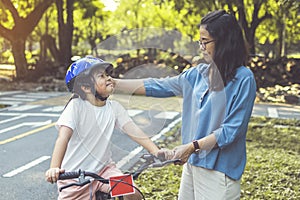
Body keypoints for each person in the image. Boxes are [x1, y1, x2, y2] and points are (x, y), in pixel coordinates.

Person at [114, 10, 257, 200]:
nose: (201, 47)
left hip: (218, 172)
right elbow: (158, 86)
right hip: (192, 165)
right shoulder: (197, 74)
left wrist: (191, 147)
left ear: (224, 42)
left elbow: (231, 131)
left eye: (205, 41)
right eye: (200, 41)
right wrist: (113, 83)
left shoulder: (243, 79)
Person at [45, 56, 168, 200]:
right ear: (85, 87)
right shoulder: (76, 106)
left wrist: (156, 151)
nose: (109, 78)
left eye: (108, 74)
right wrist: (55, 167)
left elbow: (134, 130)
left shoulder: (114, 108)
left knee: (133, 194)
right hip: (75, 178)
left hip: (105, 171)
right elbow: (63, 137)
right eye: (101, 76)